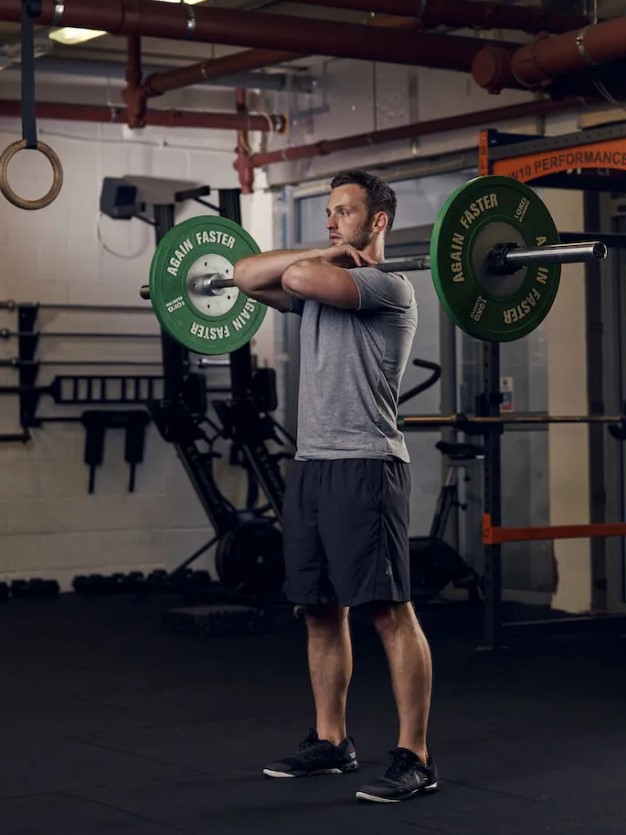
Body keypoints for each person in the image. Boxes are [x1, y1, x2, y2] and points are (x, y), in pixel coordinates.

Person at [233, 169, 437, 804]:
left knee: (388, 609)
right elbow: (243, 274)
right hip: (313, 463)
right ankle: (332, 741)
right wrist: (321, 251)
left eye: (343, 213)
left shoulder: (386, 287)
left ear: (377, 221)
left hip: (367, 464)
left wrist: (317, 261)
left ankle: (415, 755)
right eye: (327, 212)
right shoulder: (322, 281)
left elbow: (292, 276)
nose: (331, 222)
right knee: (319, 609)